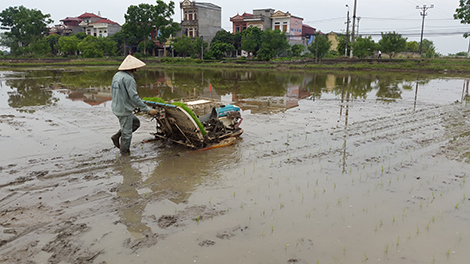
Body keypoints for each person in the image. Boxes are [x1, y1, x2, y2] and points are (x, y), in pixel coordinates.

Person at [111, 55, 158, 155]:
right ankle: (125, 155)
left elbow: (120, 93)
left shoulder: (117, 75)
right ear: (133, 68)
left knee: (135, 123)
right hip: (124, 110)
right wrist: (147, 110)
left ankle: (116, 136)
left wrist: (134, 106)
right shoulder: (129, 79)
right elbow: (134, 97)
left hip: (117, 107)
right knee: (127, 134)